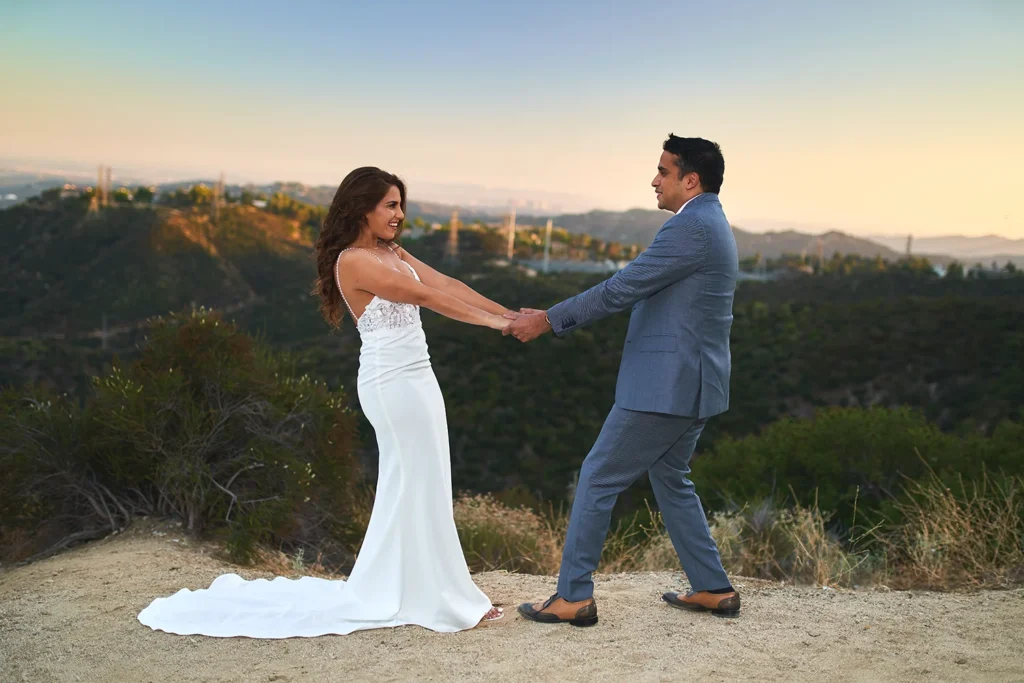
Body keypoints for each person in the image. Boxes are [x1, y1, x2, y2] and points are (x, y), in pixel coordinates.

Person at [138, 167, 511, 637]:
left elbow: (447, 283)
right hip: (391, 384)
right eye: (390, 205)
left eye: (401, 204)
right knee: (415, 479)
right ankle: (440, 597)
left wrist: (508, 313)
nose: (400, 214)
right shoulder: (354, 260)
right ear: (362, 208)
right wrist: (499, 327)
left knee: (424, 479)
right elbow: (426, 295)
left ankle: (425, 589)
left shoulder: (391, 251)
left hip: (419, 378)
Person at [505, 135, 741, 626]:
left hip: (666, 386)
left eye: (663, 171)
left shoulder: (691, 228)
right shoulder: (711, 221)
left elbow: (621, 289)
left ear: (689, 179)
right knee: (671, 478)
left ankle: (573, 597)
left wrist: (548, 319)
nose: (654, 180)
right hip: (697, 383)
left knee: (596, 477)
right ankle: (713, 588)